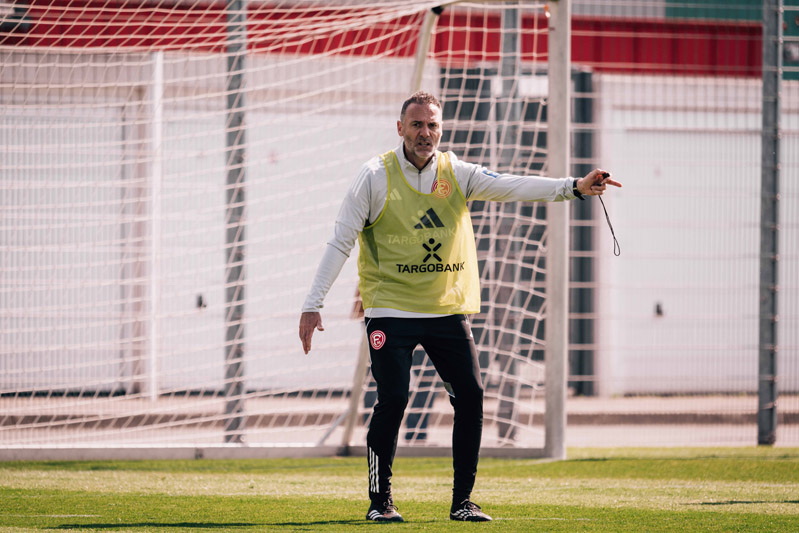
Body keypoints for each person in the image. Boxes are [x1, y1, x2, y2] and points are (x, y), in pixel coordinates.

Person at [299, 91, 621, 523]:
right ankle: (380, 502)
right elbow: (341, 240)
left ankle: (463, 501)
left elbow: (513, 186)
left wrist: (575, 188)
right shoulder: (373, 176)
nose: (425, 133)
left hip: (446, 310)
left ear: (441, 129)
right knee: (394, 398)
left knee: (471, 396)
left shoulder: (458, 173)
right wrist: (312, 303)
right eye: (416, 124)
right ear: (400, 128)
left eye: (432, 125)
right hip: (391, 310)